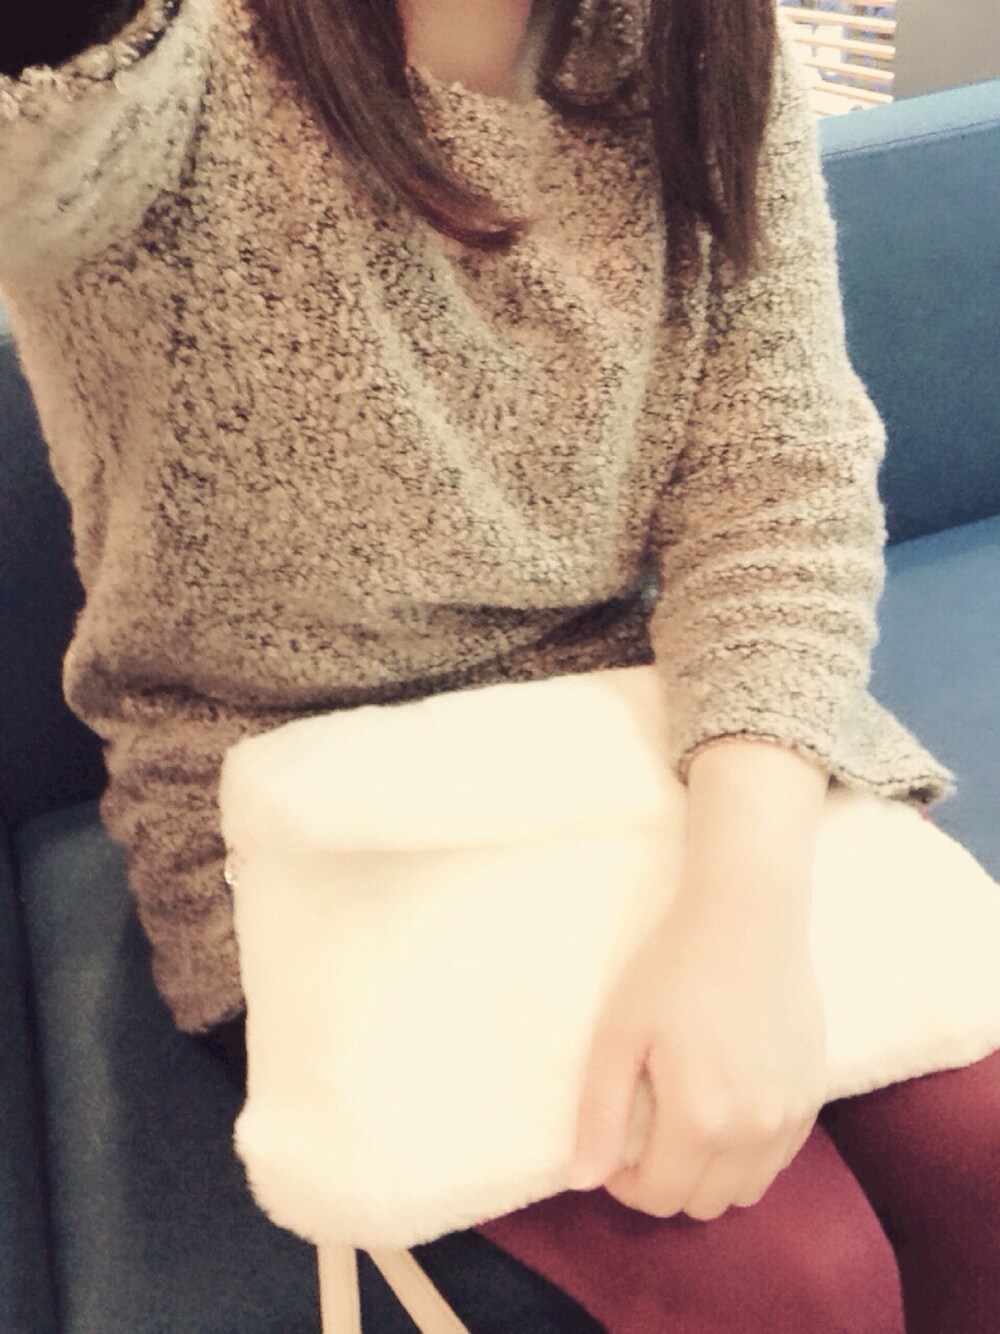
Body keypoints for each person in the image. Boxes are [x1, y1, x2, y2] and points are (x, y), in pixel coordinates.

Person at [1, 0, 997, 1329]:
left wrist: (740, 925)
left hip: (622, 716)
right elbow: (44, 159)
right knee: (796, 1282)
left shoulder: (691, 41)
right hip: (277, 779)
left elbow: (777, 482)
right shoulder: (159, 65)